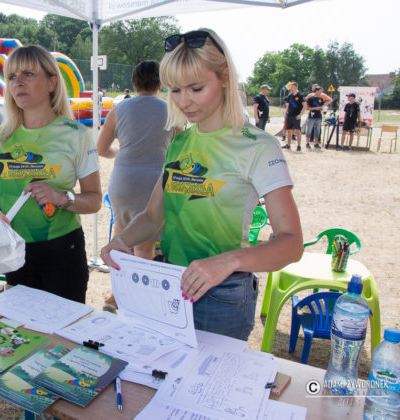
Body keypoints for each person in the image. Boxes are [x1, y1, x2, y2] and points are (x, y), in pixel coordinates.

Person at [100, 28, 303, 341]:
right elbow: (153, 216)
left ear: (224, 78)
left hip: (223, 295)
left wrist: (230, 261)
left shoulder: (258, 146)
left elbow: (291, 243)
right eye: (175, 90)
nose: (184, 101)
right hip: (170, 282)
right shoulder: (180, 142)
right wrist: (121, 240)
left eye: (196, 88)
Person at [0, 45, 102, 303]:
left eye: (28, 74)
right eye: (12, 76)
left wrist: (61, 198)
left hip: (63, 252)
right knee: (20, 324)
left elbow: (95, 200)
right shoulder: (0, 138)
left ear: (52, 82)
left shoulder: (76, 135)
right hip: (14, 251)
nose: (18, 83)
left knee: (64, 327)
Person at [97, 60, 176, 311]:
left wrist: (120, 153)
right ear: (160, 83)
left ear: (134, 83)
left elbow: (101, 148)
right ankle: (140, 299)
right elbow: (180, 147)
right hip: (155, 182)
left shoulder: (119, 109)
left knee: (119, 238)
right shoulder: (171, 110)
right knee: (145, 246)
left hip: (124, 179)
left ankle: (117, 294)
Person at [283, 81, 304, 151]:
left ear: (296, 87)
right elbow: (287, 106)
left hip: (296, 115)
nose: (290, 88)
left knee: (298, 131)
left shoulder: (300, 96)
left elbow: (305, 106)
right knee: (289, 130)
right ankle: (288, 145)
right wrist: (286, 113)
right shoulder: (290, 96)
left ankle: (299, 146)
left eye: (292, 87)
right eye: (290, 87)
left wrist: (300, 115)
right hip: (289, 115)